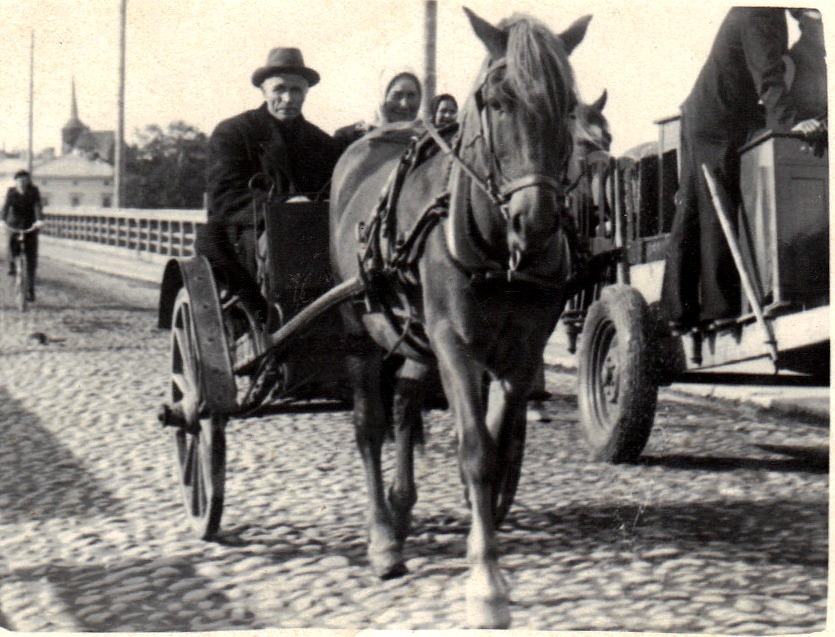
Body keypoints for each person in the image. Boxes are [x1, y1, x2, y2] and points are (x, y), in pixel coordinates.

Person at [661, 8, 825, 333]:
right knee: (714, 205)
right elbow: (768, 77)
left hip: (721, 114)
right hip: (715, 119)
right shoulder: (757, 13)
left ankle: (678, 312)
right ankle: (718, 311)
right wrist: (790, 125)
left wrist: (808, 22)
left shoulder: (769, 14)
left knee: (695, 207)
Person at [196, 47, 341, 327]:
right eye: (280, 89)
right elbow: (225, 197)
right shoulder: (234, 133)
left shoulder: (321, 142)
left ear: (306, 93)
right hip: (250, 233)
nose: (288, 99)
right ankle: (271, 322)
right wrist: (281, 208)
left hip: (313, 238)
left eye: (297, 91)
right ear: (263, 91)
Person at [334, 70, 422, 149]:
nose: (404, 104)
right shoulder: (348, 138)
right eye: (397, 95)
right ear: (382, 97)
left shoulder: (425, 142)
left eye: (411, 95)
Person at [2, 170, 44, 301]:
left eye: (25, 181)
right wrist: (2, 220)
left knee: (31, 258)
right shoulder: (11, 192)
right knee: (11, 246)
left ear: (28, 181)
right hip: (14, 225)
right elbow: (5, 207)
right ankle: (12, 265)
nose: (22, 183)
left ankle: (30, 289)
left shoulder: (34, 191)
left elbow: (37, 206)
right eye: (20, 181)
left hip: (30, 225)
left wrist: (39, 220)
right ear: (15, 182)